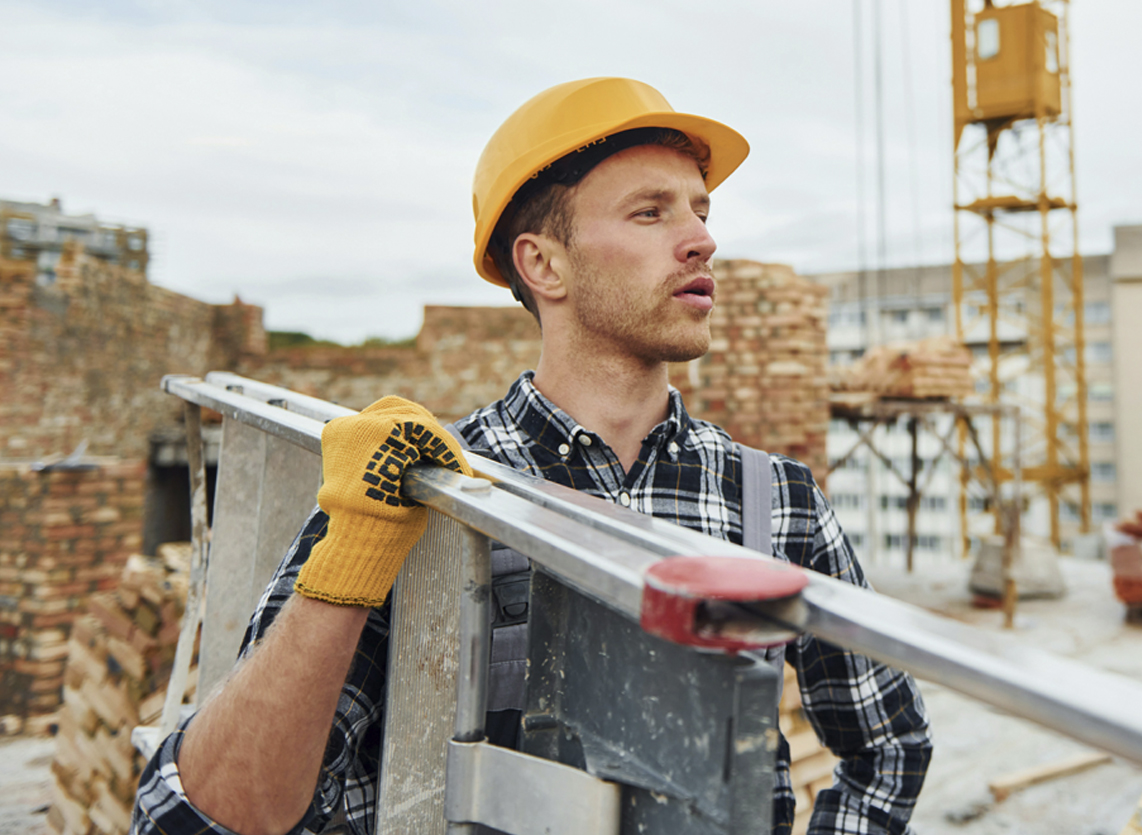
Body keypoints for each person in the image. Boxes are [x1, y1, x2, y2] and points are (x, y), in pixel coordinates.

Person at [131, 77, 931, 835]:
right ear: (542, 264)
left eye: (700, 208)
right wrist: (353, 553)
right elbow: (196, 815)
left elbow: (887, 744)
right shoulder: (426, 491)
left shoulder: (774, 498)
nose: (702, 239)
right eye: (651, 213)